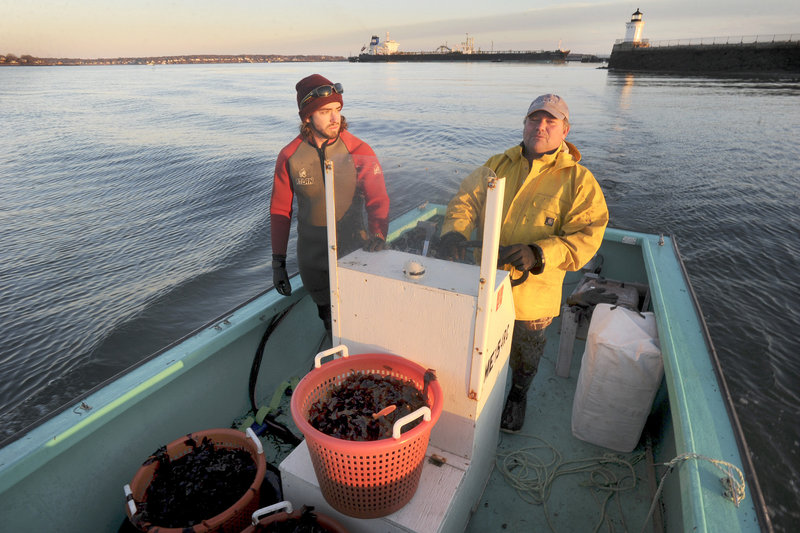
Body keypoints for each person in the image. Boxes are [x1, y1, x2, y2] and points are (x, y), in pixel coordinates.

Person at [439, 94, 609, 432]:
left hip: (534, 295)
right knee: (480, 341)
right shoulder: (497, 164)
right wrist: (454, 232)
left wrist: (539, 252)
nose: (541, 127)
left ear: (565, 130)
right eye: (535, 119)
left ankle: (518, 395)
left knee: (527, 351)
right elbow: (465, 201)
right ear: (525, 124)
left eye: (551, 121)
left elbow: (586, 237)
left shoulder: (579, 180)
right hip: (486, 281)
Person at [269, 74, 390, 336]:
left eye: (337, 110)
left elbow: (378, 200)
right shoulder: (289, 156)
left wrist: (379, 234)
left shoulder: (358, 149)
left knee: (363, 327)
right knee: (331, 327)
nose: (335, 118)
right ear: (307, 117)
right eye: (325, 112)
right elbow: (280, 211)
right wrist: (278, 263)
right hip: (313, 263)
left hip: (355, 256)